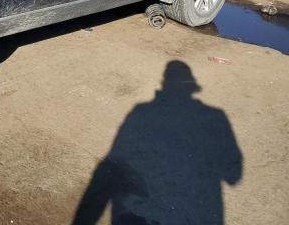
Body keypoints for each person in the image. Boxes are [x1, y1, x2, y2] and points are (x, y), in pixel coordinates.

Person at [72, 61, 242, 225]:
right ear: (191, 86)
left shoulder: (140, 112)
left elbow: (113, 160)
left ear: (164, 83)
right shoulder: (215, 117)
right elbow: (233, 175)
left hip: (137, 211)